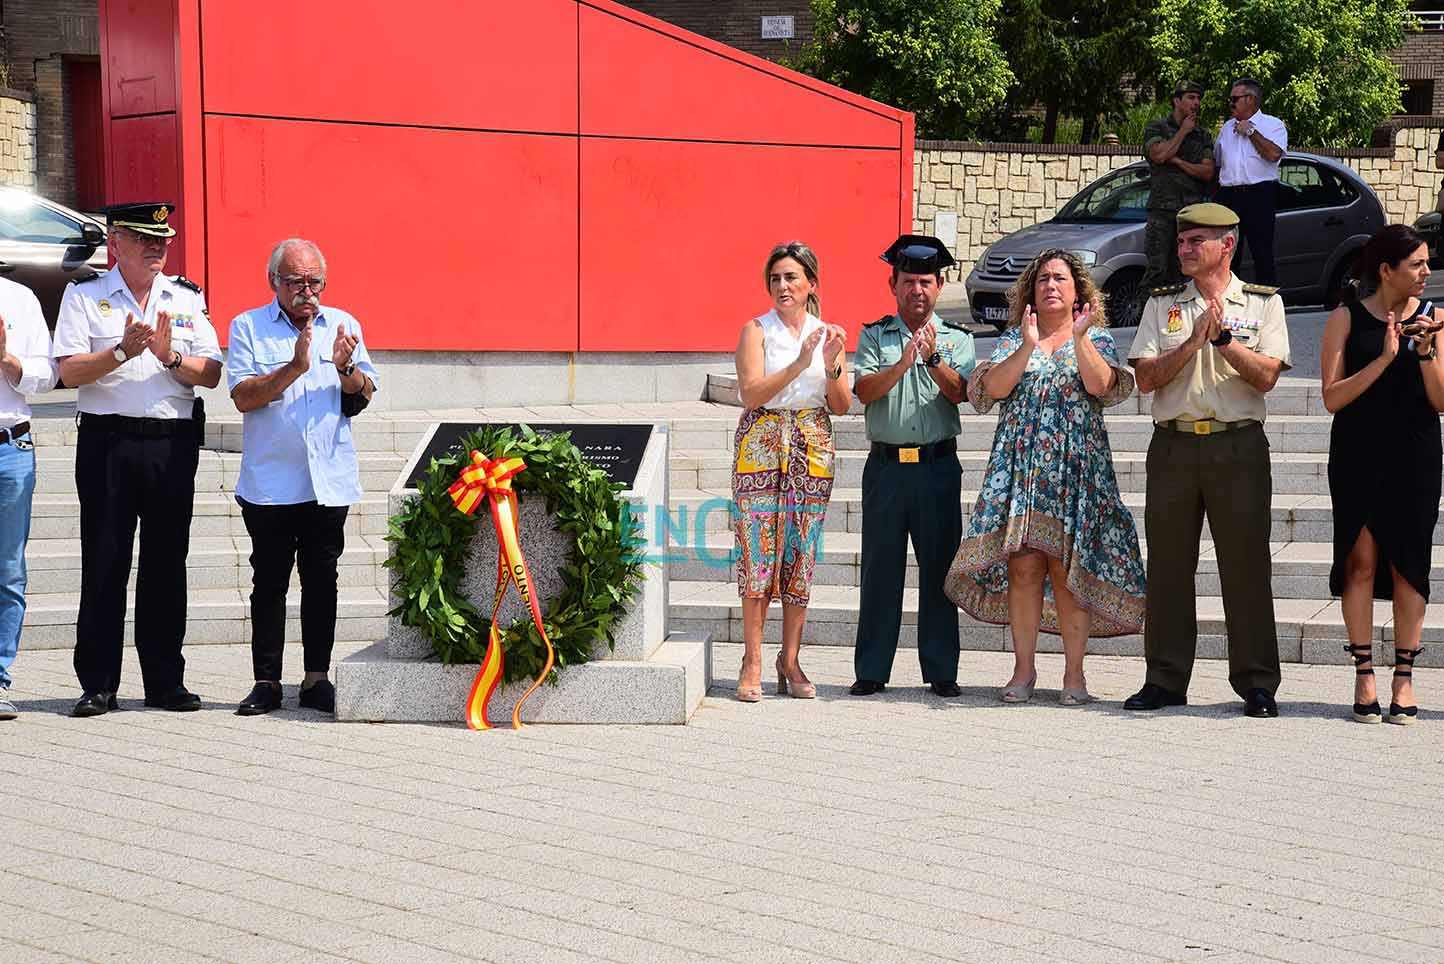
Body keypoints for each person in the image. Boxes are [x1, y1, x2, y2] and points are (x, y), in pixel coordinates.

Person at [945, 250, 1144, 704]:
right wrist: (1028, 345)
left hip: (1076, 471)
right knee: (1025, 568)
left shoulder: (1097, 338)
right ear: (1031, 292)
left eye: (1060, 279)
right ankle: (1023, 671)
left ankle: (1074, 675)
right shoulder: (1015, 338)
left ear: (1078, 292)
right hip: (1023, 470)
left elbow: (1100, 386)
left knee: (1067, 569)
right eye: (1042, 280)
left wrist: (1079, 337)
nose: (1051, 285)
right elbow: (992, 389)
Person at [53, 202, 223, 717]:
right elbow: (69, 372)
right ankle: (98, 683)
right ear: (115, 242)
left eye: (163, 240)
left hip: (171, 442)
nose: (157, 248)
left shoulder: (185, 297)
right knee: (105, 560)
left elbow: (212, 373)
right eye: (145, 238)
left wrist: (171, 357)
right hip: (108, 442)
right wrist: (122, 352)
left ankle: (165, 681)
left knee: (166, 563)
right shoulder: (85, 295)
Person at [1125, 202, 1290, 717]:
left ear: (1228, 244)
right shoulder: (1163, 305)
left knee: (1246, 565)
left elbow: (1266, 377)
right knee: (1169, 566)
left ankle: (1257, 682)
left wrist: (1222, 341)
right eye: (1181, 241)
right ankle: (1165, 678)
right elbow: (1145, 378)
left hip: (1237, 445)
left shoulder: (1262, 303)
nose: (1184, 249)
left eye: (1196, 240)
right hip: (1174, 445)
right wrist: (1191, 344)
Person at [227, 239, 379, 716]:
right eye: (296, 281)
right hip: (271, 482)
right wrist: (295, 367)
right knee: (269, 582)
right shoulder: (248, 326)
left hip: (327, 480)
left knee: (322, 580)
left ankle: (316, 678)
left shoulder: (344, 323)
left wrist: (346, 368)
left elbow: (362, 395)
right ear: (274, 281)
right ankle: (266, 681)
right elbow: (243, 397)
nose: (307, 291)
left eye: (315, 282)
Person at [1320, 224, 1444, 725]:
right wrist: (1385, 359)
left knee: (1409, 563)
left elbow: (1441, 400)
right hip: (1357, 452)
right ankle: (1364, 672)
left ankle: (1405, 677)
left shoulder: (1435, 318)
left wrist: (1425, 352)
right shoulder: (1345, 318)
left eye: (1427, 261)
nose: (1427, 271)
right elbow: (1332, 397)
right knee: (1361, 562)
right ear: (1387, 270)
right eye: (1417, 263)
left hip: (1415, 453)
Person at [851, 235, 976, 698]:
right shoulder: (875, 335)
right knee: (880, 570)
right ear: (893, 285)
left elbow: (962, 393)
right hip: (886, 469)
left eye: (925, 282)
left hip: (936, 467)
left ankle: (942, 669)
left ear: (939, 286)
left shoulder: (958, 338)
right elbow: (864, 392)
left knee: (939, 569)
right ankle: (871, 669)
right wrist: (903, 363)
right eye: (908, 281)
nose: (917, 290)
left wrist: (932, 358)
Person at [730, 241, 850, 702]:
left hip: (811, 443)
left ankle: (791, 658)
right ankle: (753, 660)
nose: (782, 285)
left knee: (801, 550)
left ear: (811, 284)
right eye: (775, 278)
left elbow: (841, 404)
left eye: (791, 277)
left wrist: (831, 363)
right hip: (762, 441)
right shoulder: (756, 330)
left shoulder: (827, 333)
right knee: (757, 550)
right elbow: (751, 393)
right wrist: (800, 363)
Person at [0, 276, 58, 720]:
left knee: (8, 571)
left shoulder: (19, 298)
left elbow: (47, 376)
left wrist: (7, 360)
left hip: (10, 447)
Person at [1142, 81, 1215, 292]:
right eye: (1191, 98)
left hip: (1190, 213)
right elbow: (1159, 155)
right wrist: (1182, 131)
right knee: (1157, 270)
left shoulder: (1202, 135)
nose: (1196, 103)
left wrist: (1178, 162)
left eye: (1198, 98)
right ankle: (1150, 312)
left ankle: (1181, 313)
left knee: (1186, 271)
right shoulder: (1157, 128)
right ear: (1176, 101)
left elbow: (1207, 172)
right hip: (1162, 211)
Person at [1214, 77, 1287, 287]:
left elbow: (1273, 154)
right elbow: (1217, 163)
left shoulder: (1273, 125)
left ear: (1251, 99)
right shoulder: (1227, 128)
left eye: (1234, 99)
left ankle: (1267, 303)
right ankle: (1226, 300)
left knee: (1262, 253)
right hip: (1229, 196)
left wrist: (1251, 132)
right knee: (1227, 254)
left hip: (1259, 195)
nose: (1230, 104)